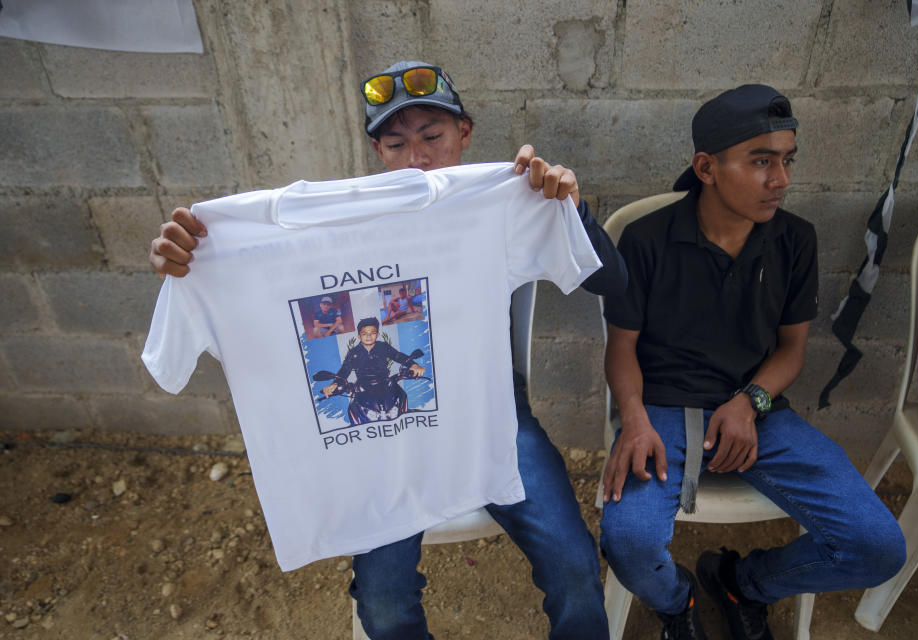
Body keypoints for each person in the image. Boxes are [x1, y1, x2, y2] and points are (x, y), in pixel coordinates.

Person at [148, 60, 626, 639]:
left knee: (576, 568)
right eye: (396, 144)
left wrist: (568, 209)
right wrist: (191, 268)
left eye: (432, 137)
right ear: (378, 152)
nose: (416, 158)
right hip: (381, 439)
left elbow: (614, 283)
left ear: (464, 134)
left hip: (491, 419)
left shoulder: (497, 204)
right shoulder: (310, 240)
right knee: (381, 602)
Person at [600, 84, 906, 640]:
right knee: (627, 540)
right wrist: (634, 418)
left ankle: (745, 582)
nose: (780, 180)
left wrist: (752, 401)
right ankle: (677, 602)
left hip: (759, 414)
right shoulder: (646, 241)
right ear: (707, 167)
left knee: (878, 546)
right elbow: (621, 347)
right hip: (663, 411)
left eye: (787, 161)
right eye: (761, 161)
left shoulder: (794, 241)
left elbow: (792, 349)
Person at [321, 317, 425, 425]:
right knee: (354, 411)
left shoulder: (383, 347)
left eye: (372, 333)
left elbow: (398, 356)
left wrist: (414, 365)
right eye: (364, 333)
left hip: (387, 385)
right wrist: (335, 384)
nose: (369, 336)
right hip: (362, 390)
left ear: (378, 335)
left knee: (402, 397)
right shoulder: (354, 352)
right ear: (359, 336)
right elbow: (344, 370)